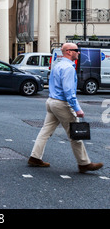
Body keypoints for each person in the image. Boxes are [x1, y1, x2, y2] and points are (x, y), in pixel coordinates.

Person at [28, 42, 103, 173]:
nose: (78, 52)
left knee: (45, 131)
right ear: (68, 51)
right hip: (61, 104)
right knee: (76, 134)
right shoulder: (68, 68)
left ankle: (35, 157)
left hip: (51, 101)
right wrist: (77, 108)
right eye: (76, 50)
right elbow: (69, 92)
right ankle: (84, 163)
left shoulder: (57, 65)